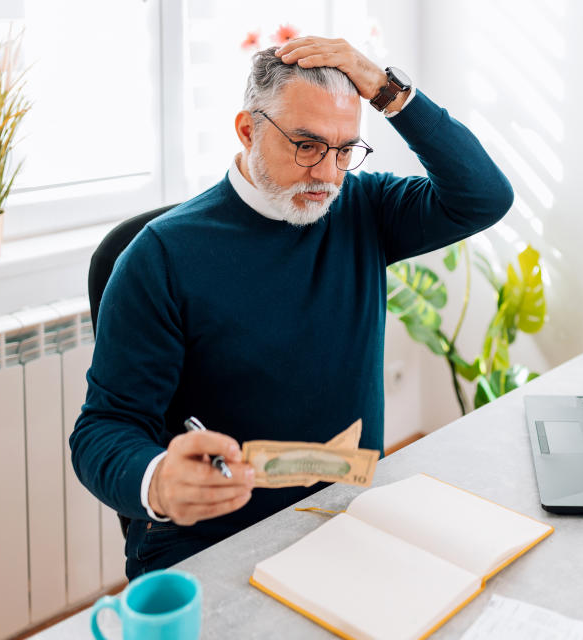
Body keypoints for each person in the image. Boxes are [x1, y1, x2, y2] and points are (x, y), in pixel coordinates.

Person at [71, 36, 514, 578]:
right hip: (213, 540)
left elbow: (483, 196)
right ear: (247, 130)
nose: (328, 174)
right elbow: (103, 429)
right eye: (306, 145)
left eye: (345, 149)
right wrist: (158, 479)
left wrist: (386, 90)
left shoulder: (361, 208)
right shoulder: (160, 255)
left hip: (342, 517)